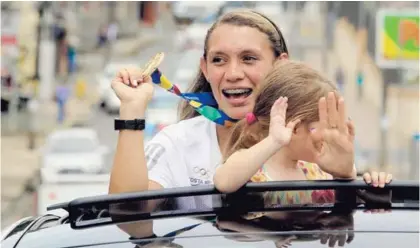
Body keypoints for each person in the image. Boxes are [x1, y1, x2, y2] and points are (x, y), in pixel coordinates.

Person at [108, 10, 355, 219]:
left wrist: (346, 175)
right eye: (219, 60)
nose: (233, 73)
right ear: (205, 69)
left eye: (249, 58)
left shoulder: (309, 142)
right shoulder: (176, 143)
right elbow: (128, 214)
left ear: (280, 65)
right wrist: (132, 109)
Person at [213, 60, 393, 202]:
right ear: (295, 128)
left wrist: (348, 175)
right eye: (324, 127)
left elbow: (347, 210)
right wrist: (274, 141)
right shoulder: (252, 167)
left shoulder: (318, 171)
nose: (330, 137)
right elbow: (223, 181)